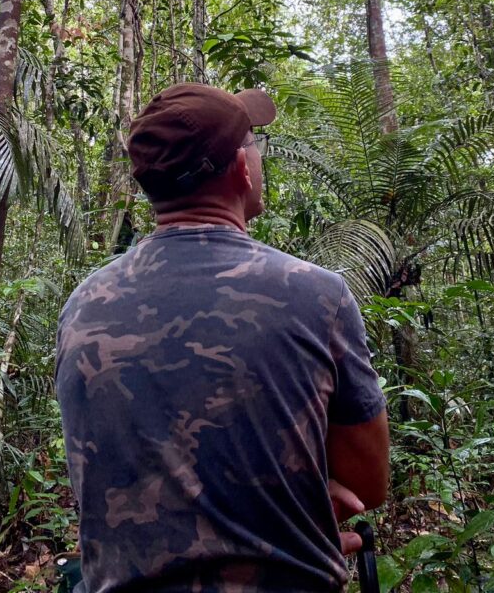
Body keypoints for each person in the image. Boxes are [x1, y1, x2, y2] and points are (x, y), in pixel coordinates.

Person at [56, 83, 389, 593]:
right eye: (254, 143)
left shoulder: (82, 305)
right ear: (241, 168)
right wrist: (286, 507)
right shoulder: (317, 296)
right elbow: (367, 484)